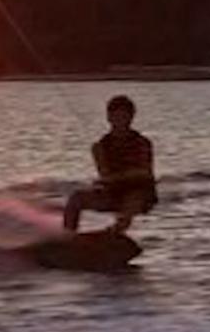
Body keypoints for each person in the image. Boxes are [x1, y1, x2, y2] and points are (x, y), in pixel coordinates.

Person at [63, 94, 159, 235]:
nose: (120, 121)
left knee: (133, 198)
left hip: (141, 195)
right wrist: (108, 179)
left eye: (124, 116)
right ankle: (68, 236)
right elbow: (105, 174)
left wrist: (118, 177)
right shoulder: (100, 146)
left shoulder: (142, 143)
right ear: (109, 117)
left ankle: (116, 232)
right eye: (116, 116)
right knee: (76, 198)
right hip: (113, 194)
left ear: (131, 118)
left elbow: (144, 173)